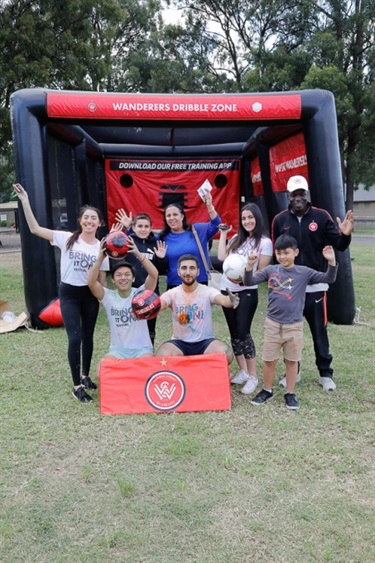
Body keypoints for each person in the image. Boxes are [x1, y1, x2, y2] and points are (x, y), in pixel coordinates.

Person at [14, 183, 109, 403]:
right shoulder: (67, 237)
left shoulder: (102, 247)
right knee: (74, 338)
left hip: (90, 295)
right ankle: (76, 386)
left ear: (99, 223)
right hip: (69, 294)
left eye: (93, 218)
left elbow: (102, 280)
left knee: (88, 336)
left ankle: (85, 376)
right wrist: (25, 201)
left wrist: (105, 299)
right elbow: (36, 229)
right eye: (86, 217)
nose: (89, 221)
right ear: (80, 221)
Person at [272, 175, 354, 391]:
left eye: (301, 193)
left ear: (306, 194)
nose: (298, 197)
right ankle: (294, 372)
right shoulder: (280, 220)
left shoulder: (321, 216)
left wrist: (345, 235)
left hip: (316, 287)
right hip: (290, 288)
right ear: (288, 197)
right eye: (294, 194)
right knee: (290, 332)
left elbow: (339, 245)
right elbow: (276, 253)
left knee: (319, 331)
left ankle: (325, 374)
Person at [244, 235, 338, 410]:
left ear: (295, 252)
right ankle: (267, 389)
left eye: (286, 253)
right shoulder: (270, 270)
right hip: (272, 324)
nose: (282, 257)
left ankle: (290, 392)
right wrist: (249, 267)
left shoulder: (304, 272)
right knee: (269, 360)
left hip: (294, 326)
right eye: (279, 253)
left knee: (292, 361)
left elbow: (329, 278)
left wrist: (332, 262)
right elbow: (249, 281)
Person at [217, 203, 273, 395]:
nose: (247, 221)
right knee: (233, 332)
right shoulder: (235, 238)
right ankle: (242, 370)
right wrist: (224, 234)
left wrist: (242, 277)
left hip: (247, 291)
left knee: (243, 332)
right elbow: (222, 257)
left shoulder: (265, 242)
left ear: (257, 218)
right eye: (244, 218)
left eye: (250, 217)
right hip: (227, 290)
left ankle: (253, 376)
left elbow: (261, 273)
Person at [155, 254, 240, 363]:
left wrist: (230, 300)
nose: (188, 272)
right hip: (180, 343)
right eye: (184, 268)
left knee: (225, 354)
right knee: (160, 357)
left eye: (192, 268)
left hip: (205, 342)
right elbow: (160, 304)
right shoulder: (173, 293)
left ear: (198, 272)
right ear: (178, 271)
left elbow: (223, 300)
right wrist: (150, 307)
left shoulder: (207, 291)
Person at [87, 237, 159, 359]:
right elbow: (91, 283)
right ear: (113, 280)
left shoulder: (142, 293)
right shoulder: (108, 297)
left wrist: (137, 253)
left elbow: (154, 274)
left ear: (133, 278)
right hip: (118, 351)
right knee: (102, 371)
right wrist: (100, 258)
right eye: (119, 275)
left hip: (142, 350)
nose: (123, 278)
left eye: (127, 275)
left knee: (146, 369)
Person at [114, 210, 167, 345]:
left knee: (149, 328)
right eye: (140, 226)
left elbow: (160, 271)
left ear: (150, 228)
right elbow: (116, 254)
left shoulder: (155, 244)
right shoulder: (128, 242)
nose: (143, 229)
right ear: (134, 227)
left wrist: (161, 258)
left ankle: (148, 354)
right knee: (131, 326)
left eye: (146, 226)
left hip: (150, 294)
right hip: (131, 292)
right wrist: (125, 229)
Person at [158, 190, 221, 289]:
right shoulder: (162, 238)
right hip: (174, 285)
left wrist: (209, 206)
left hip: (199, 283)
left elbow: (216, 225)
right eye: (168, 215)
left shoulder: (197, 231)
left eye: (175, 214)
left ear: (182, 216)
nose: (172, 218)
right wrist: (128, 228)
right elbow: (142, 239)